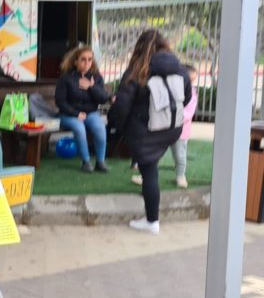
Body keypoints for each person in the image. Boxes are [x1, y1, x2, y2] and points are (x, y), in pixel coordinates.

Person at [109, 29, 192, 235]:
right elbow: (187, 98)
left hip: (145, 129)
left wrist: (117, 125)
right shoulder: (180, 70)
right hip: (170, 127)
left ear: (140, 47)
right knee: (150, 169)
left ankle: (152, 220)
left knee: (149, 171)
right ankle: (150, 213)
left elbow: (122, 105)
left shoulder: (138, 70)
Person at [55, 45, 111, 173]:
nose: (87, 63)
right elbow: (60, 101)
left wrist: (91, 87)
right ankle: (86, 162)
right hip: (68, 114)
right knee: (79, 128)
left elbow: (103, 98)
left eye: (90, 59)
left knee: (100, 127)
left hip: (90, 113)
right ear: (75, 61)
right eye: (83, 59)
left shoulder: (96, 77)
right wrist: (76, 113)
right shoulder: (66, 78)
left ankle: (100, 162)